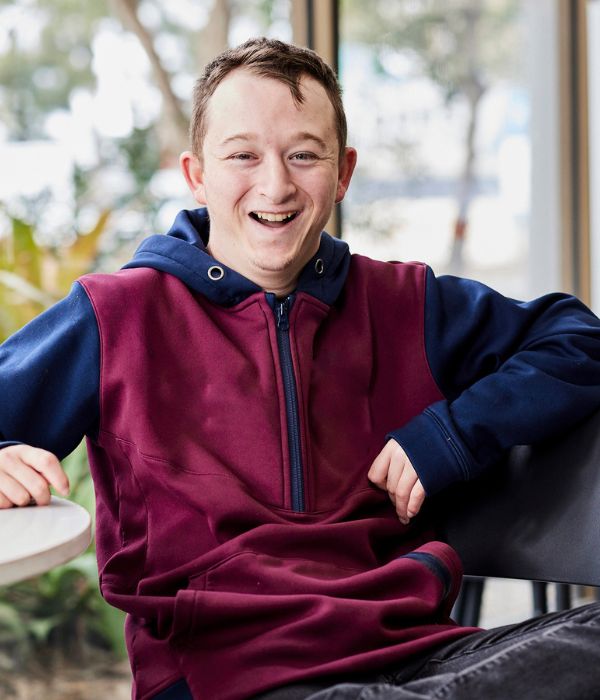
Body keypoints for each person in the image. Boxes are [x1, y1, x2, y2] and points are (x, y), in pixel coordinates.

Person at [1, 37, 600, 700]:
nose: (276, 184)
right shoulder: (116, 314)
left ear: (342, 172)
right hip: (225, 681)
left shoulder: (408, 304)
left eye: (303, 155)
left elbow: (578, 341)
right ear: (196, 173)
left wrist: (453, 434)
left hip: (421, 657)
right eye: (243, 156)